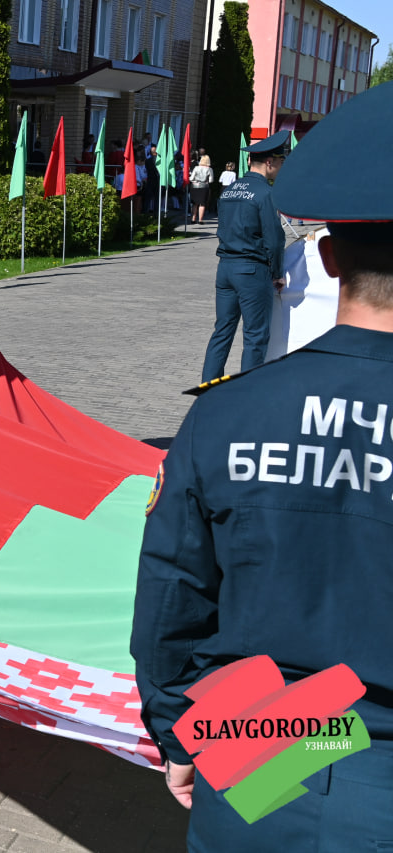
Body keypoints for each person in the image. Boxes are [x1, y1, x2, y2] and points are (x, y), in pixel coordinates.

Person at [131, 80, 393, 851]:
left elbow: (172, 600)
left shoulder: (227, 412)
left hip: (262, 737)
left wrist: (181, 731)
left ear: (330, 258)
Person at [199, 131, 289, 382]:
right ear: (269, 162)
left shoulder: (229, 190)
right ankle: (247, 391)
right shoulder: (266, 193)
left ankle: (208, 387)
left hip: (225, 267)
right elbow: (274, 238)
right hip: (252, 270)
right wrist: (277, 273)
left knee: (222, 332)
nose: (281, 168)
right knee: (255, 336)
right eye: (280, 162)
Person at [188, 154, 214, 224]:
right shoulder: (209, 169)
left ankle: (193, 219)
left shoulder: (196, 168)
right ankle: (200, 220)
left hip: (194, 186)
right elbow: (211, 180)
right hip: (204, 187)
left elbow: (191, 178)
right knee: (202, 204)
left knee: (194, 203)